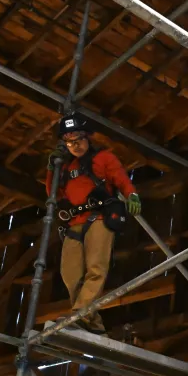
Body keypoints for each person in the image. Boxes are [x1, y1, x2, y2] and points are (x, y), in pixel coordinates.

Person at [46, 113, 142, 335]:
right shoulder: (66, 167)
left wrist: (132, 195)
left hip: (99, 217)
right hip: (73, 222)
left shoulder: (104, 158)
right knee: (69, 273)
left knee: (96, 268)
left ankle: (80, 314)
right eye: (69, 142)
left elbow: (120, 178)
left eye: (78, 139)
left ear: (87, 137)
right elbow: (52, 193)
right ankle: (92, 322)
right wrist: (53, 167)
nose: (75, 145)